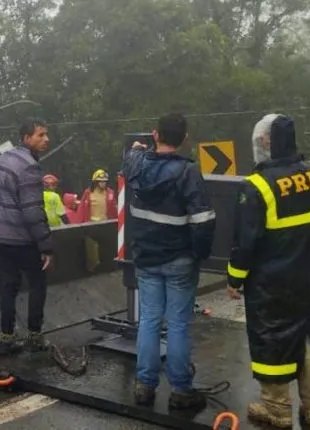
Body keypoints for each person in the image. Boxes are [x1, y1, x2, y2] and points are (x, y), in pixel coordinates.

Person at [226, 113, 310, 428]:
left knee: (273, 339)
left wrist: (235, 278)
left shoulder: (258, 185)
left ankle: (277, 409)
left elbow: (244, 243)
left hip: (272, 284)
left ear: (266, 142)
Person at [123, 113, 217, 411]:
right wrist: (198, 254)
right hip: (179, 260)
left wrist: (139, 149)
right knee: (177, 323)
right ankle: (180, 390)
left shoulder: (137, 165)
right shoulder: (187, 172)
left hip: (146, 258)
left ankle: (144, 386)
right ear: (185, 138)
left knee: (149, 320)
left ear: (155, 134)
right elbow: (202, 220)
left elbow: (131, 157)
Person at [0, 118, 54, 356]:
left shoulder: (2, 159)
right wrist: (45, 245)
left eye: (46, 135)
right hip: (21, 238)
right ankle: (34, 336)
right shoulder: (29, 167)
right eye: (40, 135)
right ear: (26, 138)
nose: (46, 140)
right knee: (37, 283)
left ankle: (6, 339)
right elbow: (33, 210)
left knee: (8, 285)